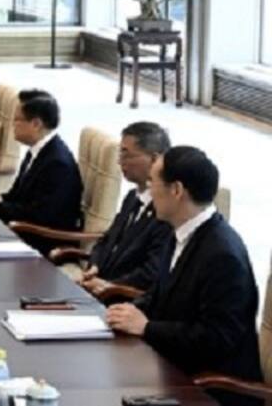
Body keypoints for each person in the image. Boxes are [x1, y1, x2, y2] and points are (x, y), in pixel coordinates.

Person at [105, 147, 262, 406]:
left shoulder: (223, 255)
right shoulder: (177, 231)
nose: (149, 188)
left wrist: (147, 327)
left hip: (209, 388)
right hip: (170, 368)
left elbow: (216, 338)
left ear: (176, 190)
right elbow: (160, 295)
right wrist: (125, 311)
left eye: (153, 182)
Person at [0, 90, 83, 256]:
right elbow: (19, 197)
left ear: (36, 124)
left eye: (17, 120)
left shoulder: (58, 163)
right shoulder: (37, 151)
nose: (12, 125)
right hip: (23, 231)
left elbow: (41, 217)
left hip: (42, 243)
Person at [78, 122, 173, 295]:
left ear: (154, 159)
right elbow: (106, 240)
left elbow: (151, 273)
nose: (120, 161)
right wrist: (95, 266)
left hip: (123, 301)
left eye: (126, 155)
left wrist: (108, 285)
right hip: (98, 289)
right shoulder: (132, 197)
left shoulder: (166, 212)